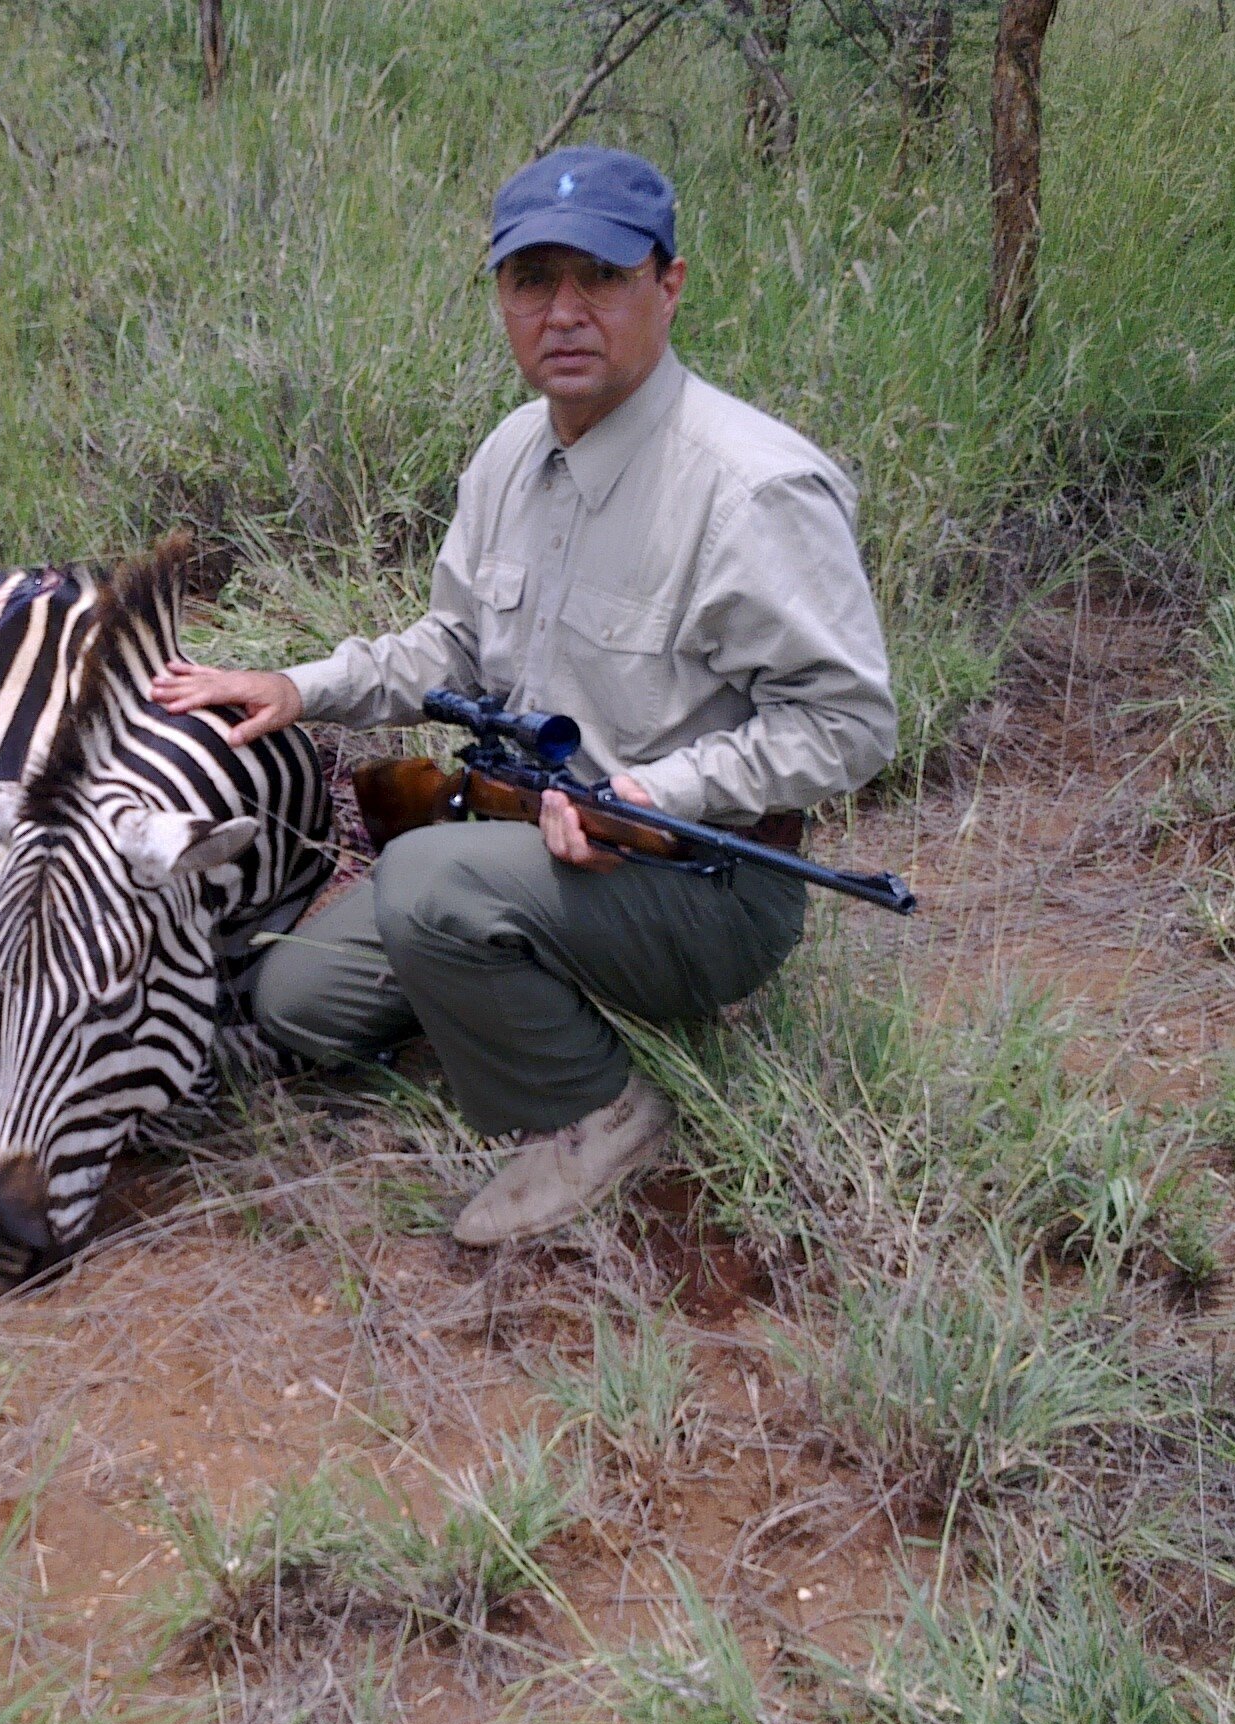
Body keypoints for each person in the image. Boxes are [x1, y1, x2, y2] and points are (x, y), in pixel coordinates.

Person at [155, 145, 896, 1246]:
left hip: (701, 878)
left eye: (599, 276)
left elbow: (850, 724)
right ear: (500, 296)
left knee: (423, 880)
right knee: (298, 1003)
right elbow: (450, 644)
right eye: (531, 280)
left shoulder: (752, 486)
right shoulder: (509, 452)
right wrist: (297, 685)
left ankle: (602, 1110)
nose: (564, 311)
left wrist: (657, 788)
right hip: (526, 844)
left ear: (669, 284)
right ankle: (523, 978)